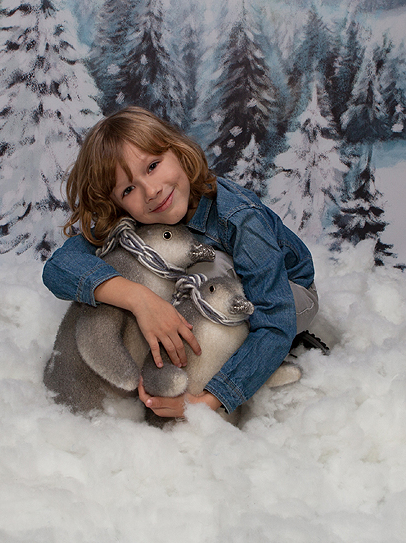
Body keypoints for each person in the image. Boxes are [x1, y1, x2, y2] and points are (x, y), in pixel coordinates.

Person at [42, 106, 319, 419]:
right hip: (220, 293)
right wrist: (140, 300)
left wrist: (208, 402)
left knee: (210, 280)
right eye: (129, 189)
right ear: (116, 202)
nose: (151, 191)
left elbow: (276, 316)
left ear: (177, 151)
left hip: (286, 296)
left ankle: (235, 373)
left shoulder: (239, 218)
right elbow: (60, 267)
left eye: (153, 166)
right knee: (126, 267)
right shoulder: (135, 217)